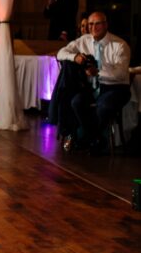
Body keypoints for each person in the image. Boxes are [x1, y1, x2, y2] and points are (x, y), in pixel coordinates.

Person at [55, 11, 131, 153]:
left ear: (106, 25)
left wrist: (98, 73)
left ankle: (85, 138)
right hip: (92, 88)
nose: (93, 27)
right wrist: (75, 56)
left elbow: (121, 74)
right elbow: (60, 53)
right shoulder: (84, 40)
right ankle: (96, 139)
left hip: (116, 88)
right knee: (76, 102)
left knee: (103, 107)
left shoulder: (120, 45)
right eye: (90, 24)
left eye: (97, 24)